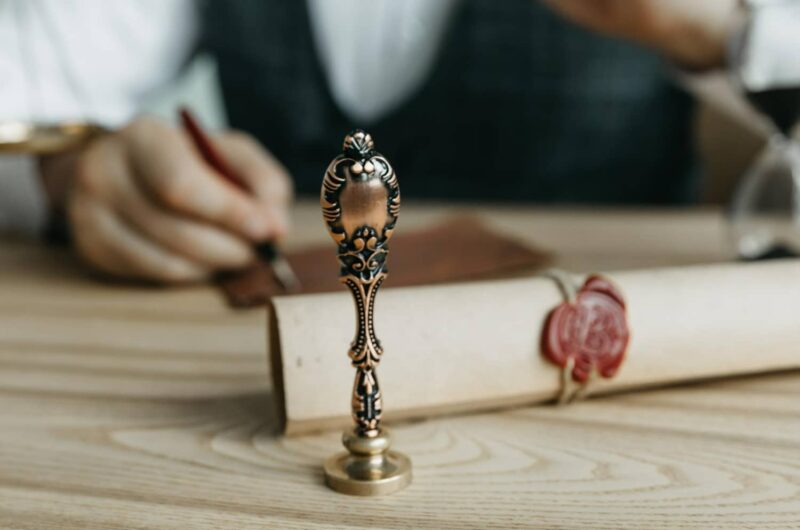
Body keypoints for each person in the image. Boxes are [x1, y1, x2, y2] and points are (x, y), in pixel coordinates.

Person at [0, 0, 795, 283]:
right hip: (275, 387)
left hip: (629, 390)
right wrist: (69, 175)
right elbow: (21, 93)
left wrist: (735, 30)